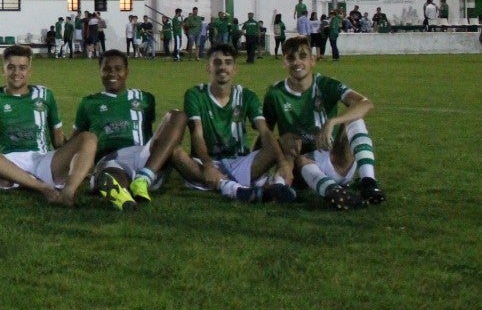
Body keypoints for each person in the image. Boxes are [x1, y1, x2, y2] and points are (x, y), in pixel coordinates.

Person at [263, 36, 385, 210]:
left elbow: (365, 103)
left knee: (354, 117)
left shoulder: (326, 84)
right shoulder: (275, 93)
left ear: (312, 60)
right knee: (295, 148)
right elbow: (265, 133)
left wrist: (332, 121)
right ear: (284, 62)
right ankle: (333, 192)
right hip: (303, 167)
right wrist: (256, 166)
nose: (297, 62)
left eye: (303, 56)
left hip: (336, 159)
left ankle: (368, 182)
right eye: (290, 58)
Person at [0, 45, 96, 207]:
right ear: (3, 70)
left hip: (42, 160)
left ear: (30, 71)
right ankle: (42, 187)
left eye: (22, 68)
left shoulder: (45, 95)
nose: (16, 73)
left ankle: (68, 192)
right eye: (11, 67)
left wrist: (74, 160)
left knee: (88, 138)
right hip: (7, 164)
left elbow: (58, 139)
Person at [167, 43, 294, 204]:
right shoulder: (195, 94)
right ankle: (234, 188)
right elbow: (197, 134)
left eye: (228, 62)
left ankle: (276, 184)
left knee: (285, 142)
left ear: (235, 69)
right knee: (174, 151)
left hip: (240, 161)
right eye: (217, 62)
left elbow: (265, 131)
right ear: (208, 67)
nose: (222, 67)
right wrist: (208, 165)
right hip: (206, 162)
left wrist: (282, 162)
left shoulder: (247, 95)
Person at [70, 49, 186, 211]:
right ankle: (123, 196)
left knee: (178, 116)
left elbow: (157, 133)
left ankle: (143, 178)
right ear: (100, 71)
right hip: (111, 158)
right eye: (106, 69)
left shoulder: (145, 98)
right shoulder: (88, 102)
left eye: (118, 69)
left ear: (127, 72)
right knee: (110, 174)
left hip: (144, 155)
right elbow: (76, 140)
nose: (112, 73)